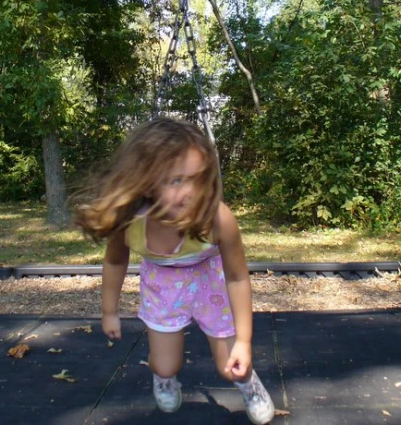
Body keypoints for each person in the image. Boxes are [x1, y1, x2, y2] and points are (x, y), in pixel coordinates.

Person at [74, 117, 276, 425]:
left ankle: (249, 384)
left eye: (198, 178)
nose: (191, 192)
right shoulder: (130, 222)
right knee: (165, 366)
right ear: (147, 182)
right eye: (176, 180)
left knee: (230, 364)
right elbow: (115, 261)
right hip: (162, 284)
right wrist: (109, 311)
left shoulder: (218, 219)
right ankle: (165, 380)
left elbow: (237, 277)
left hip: (210, 281)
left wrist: (244, 341)